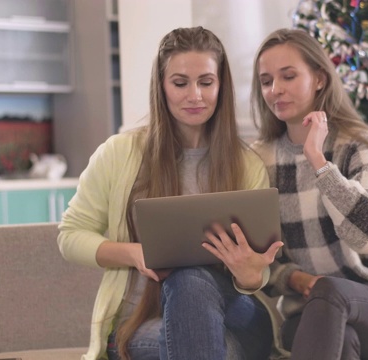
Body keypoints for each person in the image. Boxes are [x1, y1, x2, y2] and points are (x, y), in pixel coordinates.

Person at [58, 26, 282, 360]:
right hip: (143, 320)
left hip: (237, 316)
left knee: (191, 279)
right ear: (161, 87)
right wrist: (135, 254)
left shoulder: (247, 164)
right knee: (205, 343)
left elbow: (258, 272)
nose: (195, 95)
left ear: (221, 86)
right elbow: (70, 236)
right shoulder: (119, 154)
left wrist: (250, 275)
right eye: (180, 83)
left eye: (206, 82)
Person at [249, 28, 368, 360]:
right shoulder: (259, 160)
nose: (275, 90)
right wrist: (296, 279)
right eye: (267, 80)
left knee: (330, 291)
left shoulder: (357, 144)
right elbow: (264, 259)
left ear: (318, 79)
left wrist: (318, 160)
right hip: (308, 316)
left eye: (288, 76)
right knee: (338, 336)